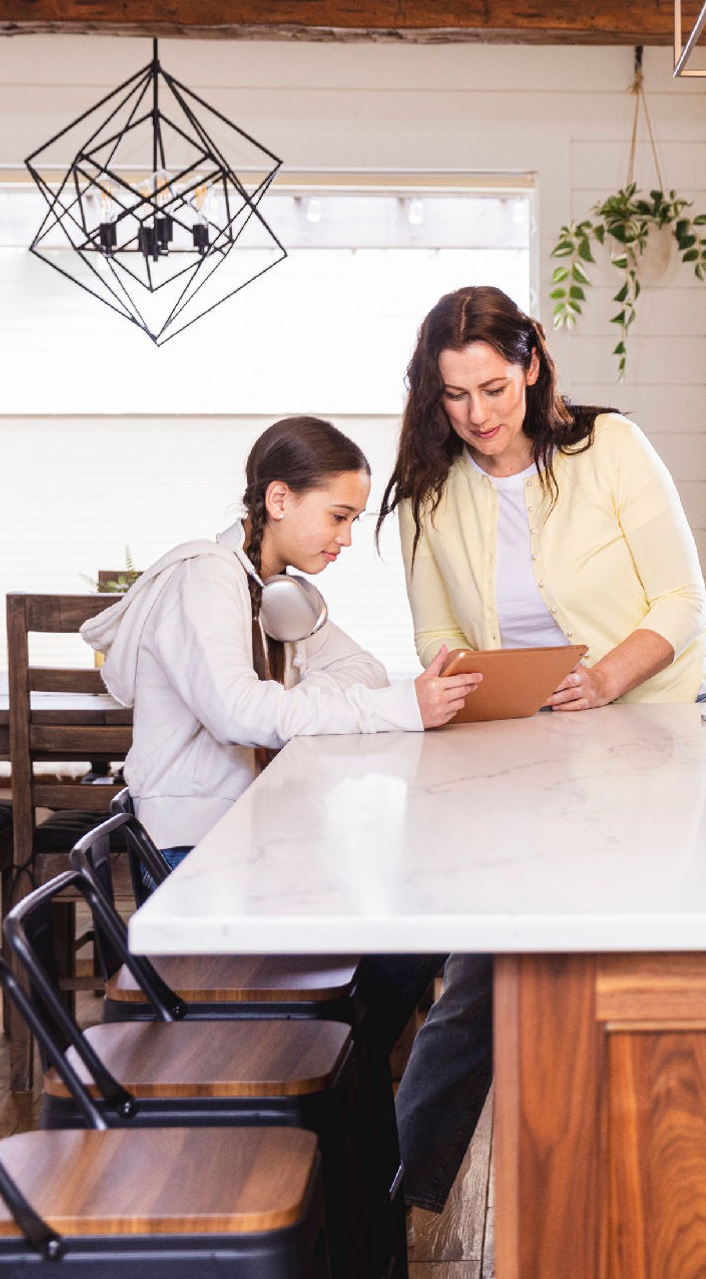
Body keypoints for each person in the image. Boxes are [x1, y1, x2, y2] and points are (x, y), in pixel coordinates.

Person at [80, 414, 479, 1278]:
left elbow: (366, 674)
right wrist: (395, 706)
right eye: (337, 516)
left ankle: (345, 1146)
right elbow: (239, 711)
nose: (345, 536)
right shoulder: (205, 579)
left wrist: (366, 690)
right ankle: (340, 1155)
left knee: (412, 937)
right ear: (277, 498)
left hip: (251, 851)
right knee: (401, 940)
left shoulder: (274, 587)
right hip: (199, 871)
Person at [375, 284, 706, 1220]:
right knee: (487, 953)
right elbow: (435, 628)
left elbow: (682, 605)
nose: (479, 415)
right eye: (455, 396)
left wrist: (603, 680)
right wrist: (461, 673)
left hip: (655, 728)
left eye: (494, 388)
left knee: (636, 955)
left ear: (531, 367)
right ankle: (394, 1196)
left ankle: (655, 1178)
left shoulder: (610, 450)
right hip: (523, 745)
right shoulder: (429, 490)